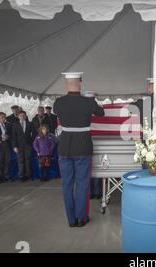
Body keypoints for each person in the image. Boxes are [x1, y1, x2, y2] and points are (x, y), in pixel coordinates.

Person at [54, 72, 104, 228]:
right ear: (80, 82)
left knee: (66, 184)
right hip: (82, 146)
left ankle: (71, 220)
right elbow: (101, 113)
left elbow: (59, 114)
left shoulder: (58, 102)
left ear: (66, 83)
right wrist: (92, 99)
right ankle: (81, 218)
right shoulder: (88, 102)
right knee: (82, 184)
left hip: (64, 148)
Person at [12, 110, 36, 182]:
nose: (22, 117)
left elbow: (34, 133)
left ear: (25, 116)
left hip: (28, 145)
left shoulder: (30, 124)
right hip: (19, 146)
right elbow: (13, 137)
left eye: (23, 115)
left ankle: (28, 175)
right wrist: (14, 146)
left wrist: (31, 142)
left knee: (28, 160)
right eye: (21, 116)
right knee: (20, 161)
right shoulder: (15, 125)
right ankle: (21, 176)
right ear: (18, 116)